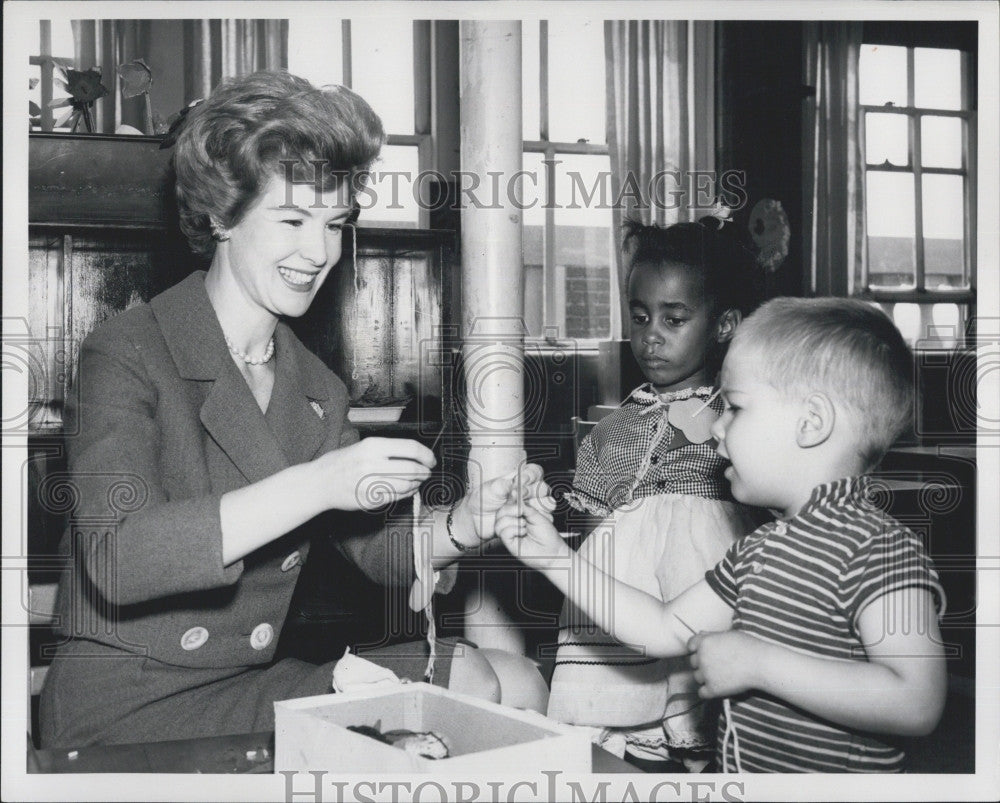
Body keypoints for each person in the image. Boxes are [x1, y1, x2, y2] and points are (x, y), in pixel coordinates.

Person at [39, 70, 550, 748]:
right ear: (221, 214)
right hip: (122, 702)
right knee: (478, 687)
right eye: (292, 220)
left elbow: (376, 546)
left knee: (492, 679)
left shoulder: (314, 383)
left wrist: (464, 522)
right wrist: (318, 482)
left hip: (242, 683)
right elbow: (119, 556)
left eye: (336, 223)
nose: (321, 252)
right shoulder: (127, 351)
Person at [499, 297, 948, 773]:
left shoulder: (880, 549)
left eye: (734, 407)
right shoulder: (759, 549)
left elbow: (917, 702)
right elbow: (663, 628)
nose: (715, 426)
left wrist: (760, 665)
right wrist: (552, 556)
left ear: (812, 422)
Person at [547, 217, 762, 770]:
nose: (651, 336)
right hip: (626, 606)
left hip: (706, 591)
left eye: (675, 319)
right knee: (620, 735)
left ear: (723, 324)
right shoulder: (615, 429)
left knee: (706, 732)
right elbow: (596, 533)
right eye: (640, 317)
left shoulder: (737, 422)